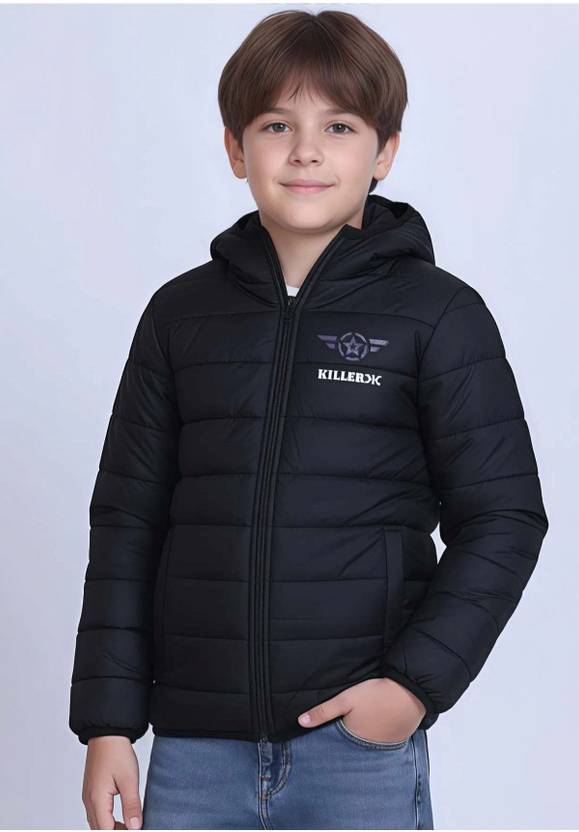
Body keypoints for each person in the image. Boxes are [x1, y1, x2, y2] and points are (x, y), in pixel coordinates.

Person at [69, 9, 549, 831]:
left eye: (338, 126)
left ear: (383, 152)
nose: (305, 151)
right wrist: (108, 723)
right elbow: (127, 520)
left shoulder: (437, 316)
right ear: (235, 148)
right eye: (275, 126)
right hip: (194, 750)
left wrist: (409, 689)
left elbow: (503, 518)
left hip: (355, 751)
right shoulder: (180, 316)